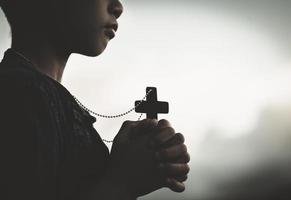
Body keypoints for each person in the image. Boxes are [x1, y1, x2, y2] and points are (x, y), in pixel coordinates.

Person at [0, 0, 190, 200]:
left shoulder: (35, 93)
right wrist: (122, 183)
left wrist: (127, 165)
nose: (118, 7)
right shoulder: (21, 93)